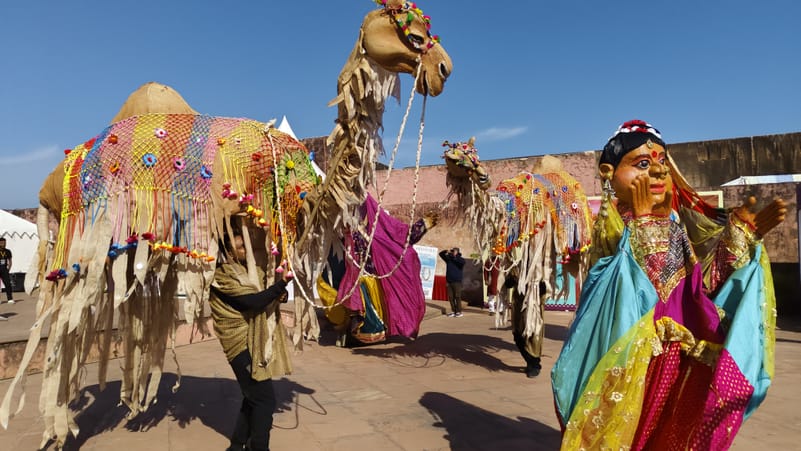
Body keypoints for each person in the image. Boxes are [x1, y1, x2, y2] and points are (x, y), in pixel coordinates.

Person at [551, 120, 786, 450]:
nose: (659, 171)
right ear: (608, 173)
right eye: (642, 164)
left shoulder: (673, 224)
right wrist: (644, 225)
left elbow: (697, 289)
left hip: (676, 355)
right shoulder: (612, 227)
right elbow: (623, 290)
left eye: (662, 161)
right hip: (634, 357)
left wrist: (740, 239)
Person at [209, 230, 292, 451]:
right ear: (229, 252)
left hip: (255, 342)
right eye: (240, 247)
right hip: (238, 344)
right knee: (265, 400)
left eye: (246, 246)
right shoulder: (222, 277)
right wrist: (280, 285)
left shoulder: (251, 272)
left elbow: (266, 295)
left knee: (253, 397)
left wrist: (279, 294)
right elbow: (252, 302)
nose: (246, 250)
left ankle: (237, 446)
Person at [505, 275, 545, 378]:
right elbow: (508, 284)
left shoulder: (541, 270)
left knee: (533, 337)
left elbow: (545, 288)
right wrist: (511, 280)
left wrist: (539, 287)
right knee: (517, 335)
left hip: (534, 307)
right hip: (518, 306)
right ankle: (530, 361)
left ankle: (535, 364)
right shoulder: (516, 269)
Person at [439, 247, 465, 317]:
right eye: (452, 251)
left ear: (457, 252)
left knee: (457, 296)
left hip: (457, 282)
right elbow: (441, 254)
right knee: (451, 297)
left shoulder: (461, 260)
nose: (453, 252)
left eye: (454, 251)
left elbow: (462, 262)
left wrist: (455, 256)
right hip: (449, 281)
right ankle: (454, 311)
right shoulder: (449, 259)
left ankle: (459, 312)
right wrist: (446, 251)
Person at [0, 237, 14, 304]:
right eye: (2, 243)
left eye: (5, 243)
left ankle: (10, 299)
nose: (4, 244)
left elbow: (10, 261)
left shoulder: (8, 251)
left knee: (8, 284)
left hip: (4, 269)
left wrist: (8, 269)